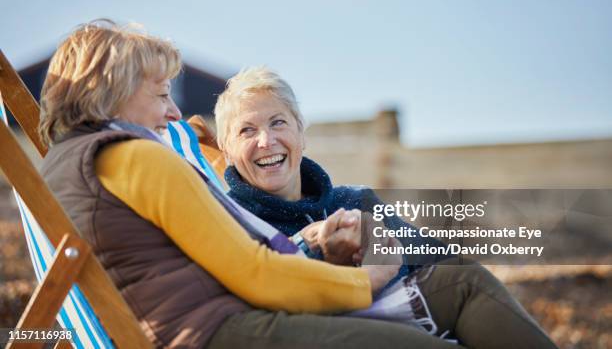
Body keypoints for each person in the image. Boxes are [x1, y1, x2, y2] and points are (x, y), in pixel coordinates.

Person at [38, 20, 471, 349]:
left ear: (301, 132)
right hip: (217, 331)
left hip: (187, 325)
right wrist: (367, 280)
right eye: (160, 93)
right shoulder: (135, 156)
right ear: (116, 89)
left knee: (461, 286)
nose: (172, 112)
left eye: (279, 122)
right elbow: (256, 273)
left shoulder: (70, 163)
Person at [214, 66, 558, 348]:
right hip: (319, 335)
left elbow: (435, 259)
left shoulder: (352, 200)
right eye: (247, 130)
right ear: (227, 151)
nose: (266, 141)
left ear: (301, 134)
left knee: (467, 277)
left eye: (278, 123)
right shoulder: (230, 220)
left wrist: (378, 247)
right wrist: (317, 250)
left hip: (395, 313)